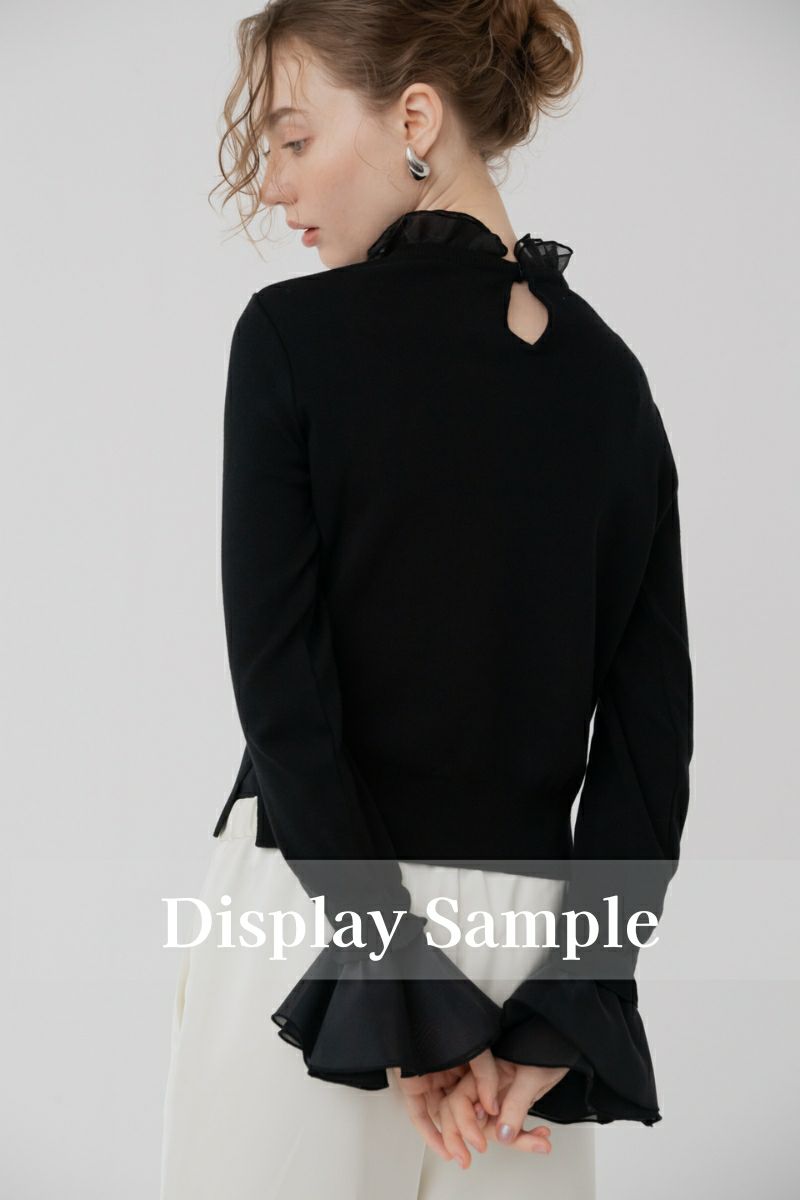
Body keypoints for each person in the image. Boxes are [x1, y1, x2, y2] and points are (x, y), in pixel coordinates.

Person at [160, 2, 693, 1197]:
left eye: (294, 139)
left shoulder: (292, 339)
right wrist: (570, 1003)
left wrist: (393, 979)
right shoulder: (613, 386)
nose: (273, 185)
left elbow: (285, 702)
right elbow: (648, 750)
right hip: (528, 963)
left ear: (414, 119)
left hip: (314, 927)